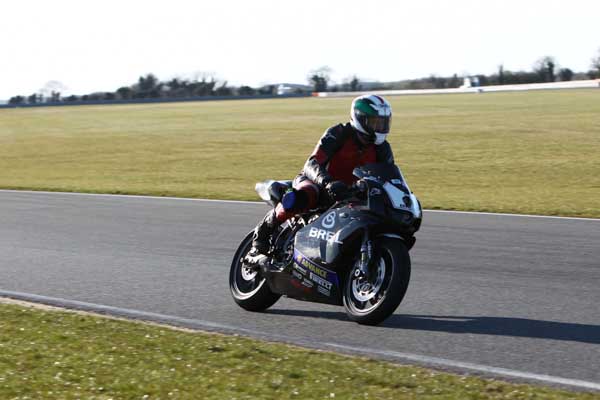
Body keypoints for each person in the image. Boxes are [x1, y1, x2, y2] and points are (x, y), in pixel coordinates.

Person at [250, 94, 395, 256]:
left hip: (350, 193)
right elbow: (312, 163)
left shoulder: (382, 148)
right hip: (318, 182)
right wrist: (327, 182)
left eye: (383, 123)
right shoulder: (339, 133)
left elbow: (387, 176)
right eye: (375, 122)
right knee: (303, 196)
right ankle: (264, 232)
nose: (380, 128)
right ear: (360, 119)